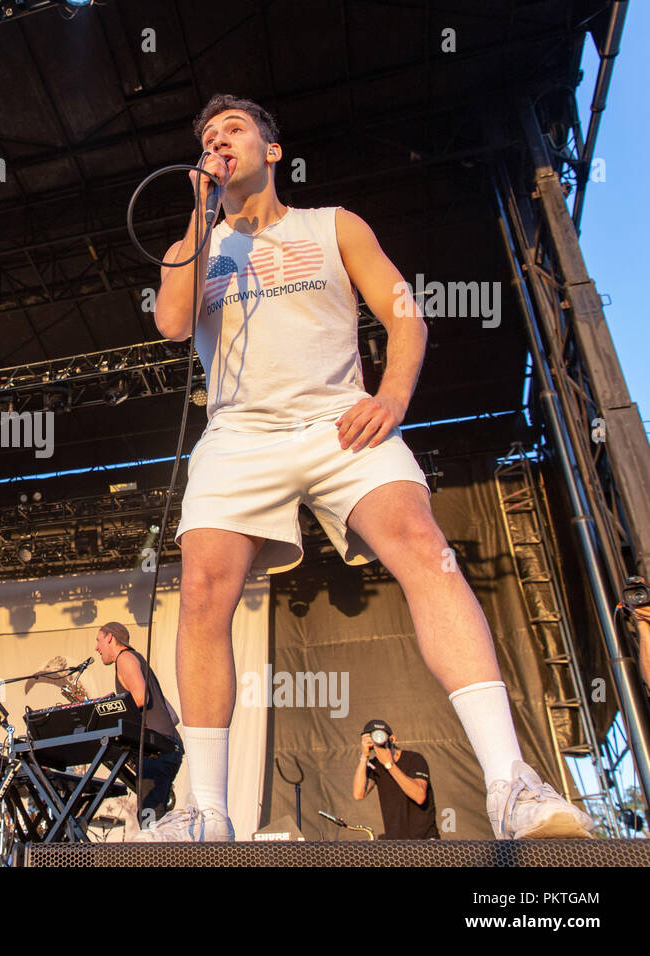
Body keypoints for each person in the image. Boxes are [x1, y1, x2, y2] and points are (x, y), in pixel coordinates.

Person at [134, 92, 595, 843]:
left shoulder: (333, 225)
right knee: (202, 589)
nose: (219, 142)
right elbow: (174, 322)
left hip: (339, 419)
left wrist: (393, 394)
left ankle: (512, 785)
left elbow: (403, 309)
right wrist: (198, 210)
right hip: (239, 433)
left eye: (234, 131)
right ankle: (208, 812)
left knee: (424, 546)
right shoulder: (200, 245)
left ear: (271, 150)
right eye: (209, 137)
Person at [94, 621, 184, 824]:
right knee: (152, 816)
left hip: (157, 749)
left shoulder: (125, 658)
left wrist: (111, 715)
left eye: (99, 641)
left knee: (150, 819)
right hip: (163, 747)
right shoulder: (135, 659)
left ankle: (154, 855)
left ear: (110, 638)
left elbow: (141, 698)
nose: (97, 648)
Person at [352, 719, 438, 839]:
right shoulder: (374, 765)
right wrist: (364, 756)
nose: (378, 740)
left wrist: (389, 765)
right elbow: (358, 794)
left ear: (392, 739)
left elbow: (419, 796)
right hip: (396, 843)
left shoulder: (414, 759)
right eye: (373, 737)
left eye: (381, 736)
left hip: (424, 841)